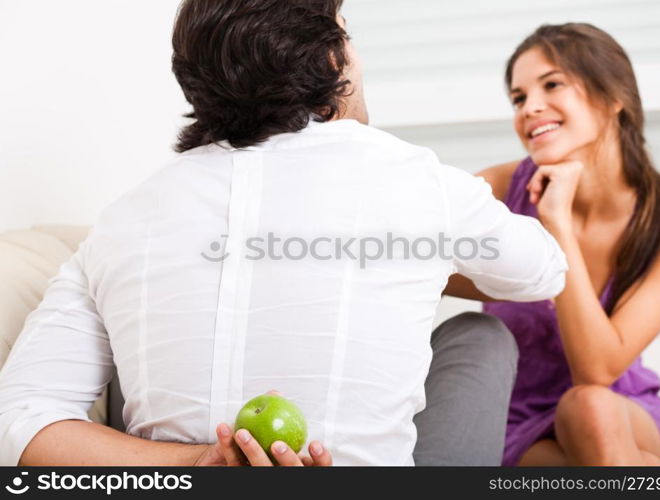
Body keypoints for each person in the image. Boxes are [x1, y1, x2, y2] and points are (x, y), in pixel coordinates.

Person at [0, 0, 568, 466]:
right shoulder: (414, 177)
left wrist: (202, 462)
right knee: (481, 336)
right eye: (351, 36)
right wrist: (402, 255)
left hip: (179, 475)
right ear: (331, 56)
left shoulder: (123, 219)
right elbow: (544, 272)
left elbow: (20, 420)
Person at [448, 23, 660, 466]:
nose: (530, 108)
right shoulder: (497, 189)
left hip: (621, 407)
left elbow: (597, 371)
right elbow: (405, 244)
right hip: (516, 419)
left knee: (589, 406)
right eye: (519, 98)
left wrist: (556, 222)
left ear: (614, 96)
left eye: (551, 84)